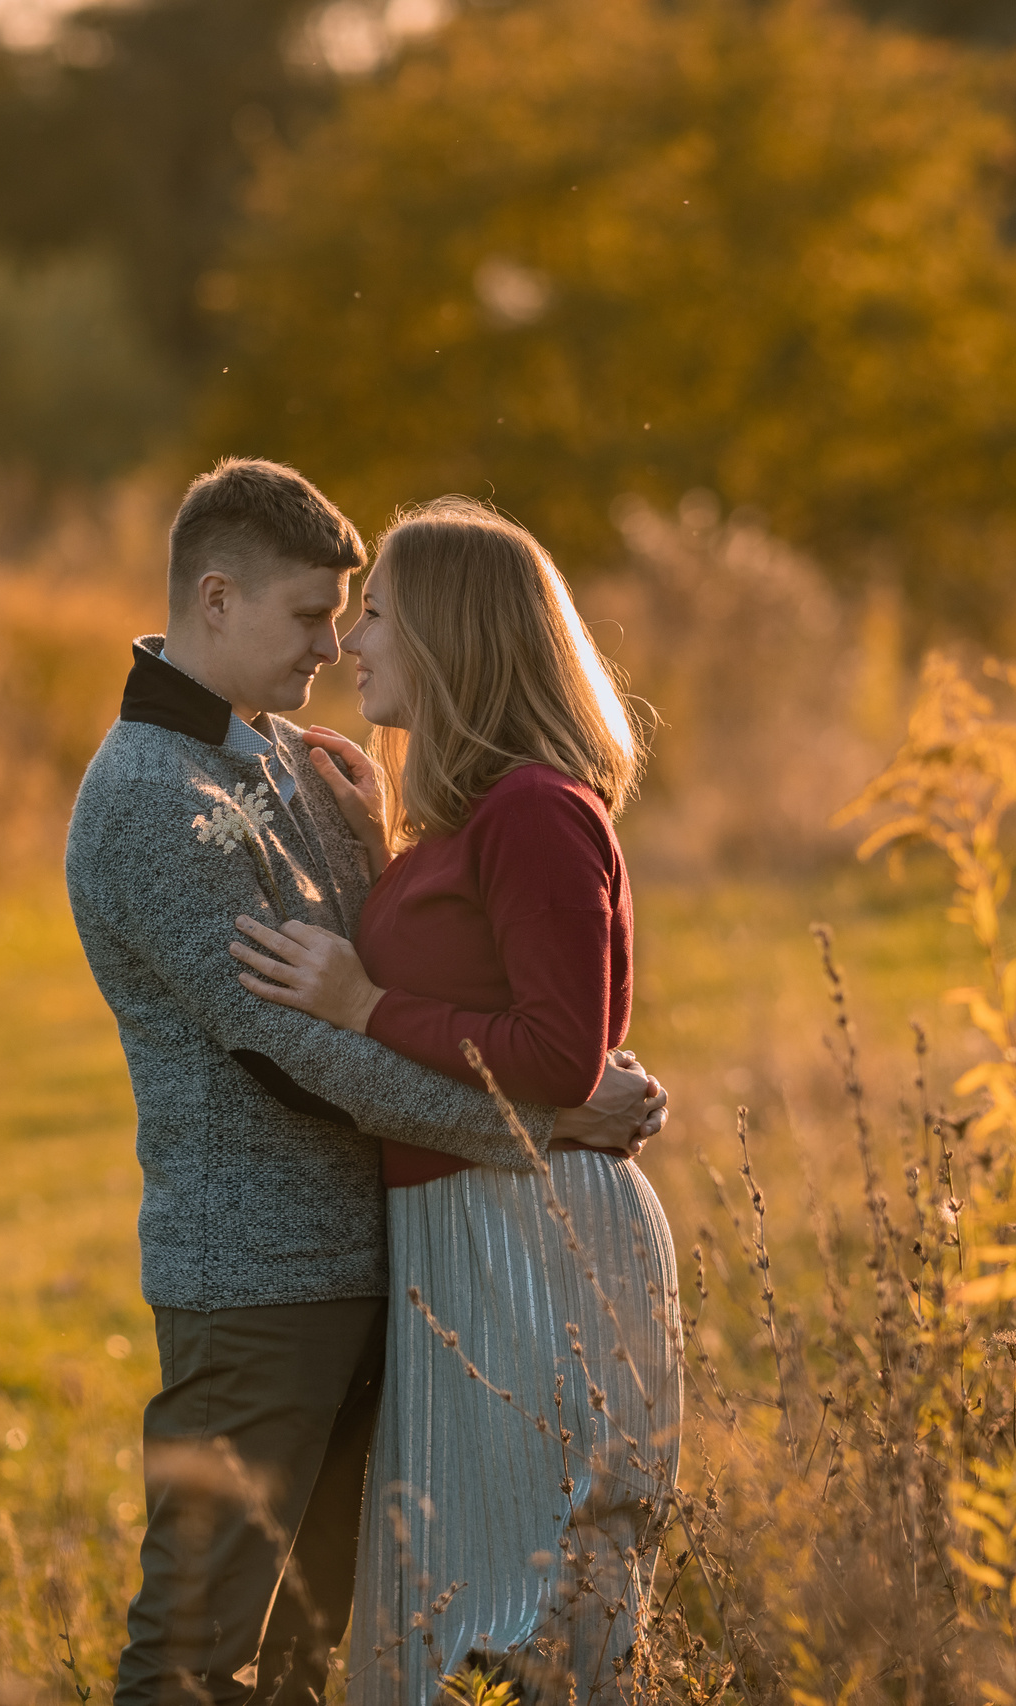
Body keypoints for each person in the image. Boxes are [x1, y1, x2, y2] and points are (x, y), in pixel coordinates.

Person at [64, 459, 669, 1706]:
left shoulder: (291, 759)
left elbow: (392, 964)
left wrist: (378, 844)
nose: (333, 646)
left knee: (320, 1645)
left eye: (351, 616)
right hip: (257, 1283)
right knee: (193, 1644)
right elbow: (302, 1056)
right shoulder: (146, 796)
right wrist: (540, 1121)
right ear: (216, 599)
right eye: (308, 615)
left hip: (384, 1268)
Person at [226, 497, 683, 1703]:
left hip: (534, 1237)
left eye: (376, 613)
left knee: (520, 1619)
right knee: (444, 1612)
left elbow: (556, 1056)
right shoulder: (466, 821)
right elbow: (478, 971)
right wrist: (383, 849)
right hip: (467, 1229)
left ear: (448, 634)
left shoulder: (536, 810)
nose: (350, 641)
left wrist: (363, 1002)